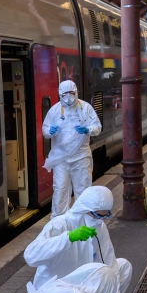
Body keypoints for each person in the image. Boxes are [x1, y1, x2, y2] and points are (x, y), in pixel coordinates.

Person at [24, 185, 131, 293]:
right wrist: (67, 238)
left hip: (81, 283)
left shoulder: (99, 226)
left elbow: (108, 260)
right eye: (97, 215)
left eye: (104, 216)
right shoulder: (60, 224)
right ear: (84, 209)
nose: (99, 221)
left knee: (123, 266)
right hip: (54, 289)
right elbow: (31, 256)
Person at [42, 80, 102, 215]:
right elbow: (45, 130)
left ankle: (83, 220)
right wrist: (49, 131)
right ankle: (59, 223)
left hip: (80, 156)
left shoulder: (85, 108)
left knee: (83, 189)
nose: (68, 97)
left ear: (76, 92)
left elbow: (97, 127)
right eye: (65, 94)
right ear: (60, 94)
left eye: (71, 93)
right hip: (60, 159)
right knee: (60, 189)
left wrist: (88, 129)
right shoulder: (54, 111)